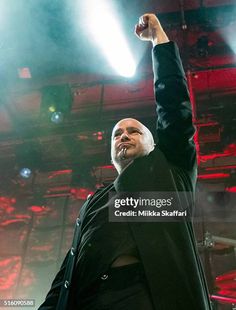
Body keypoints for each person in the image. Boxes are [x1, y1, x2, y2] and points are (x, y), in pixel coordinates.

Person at [38, 13, 212, 310]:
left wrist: (159, 40)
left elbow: (174, 109)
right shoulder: (93, 202)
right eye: (117, 133)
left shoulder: (171, 171)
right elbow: (68, 271)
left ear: (153, 144)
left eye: (134, 131)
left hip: (144, 297)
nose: (124, 135)